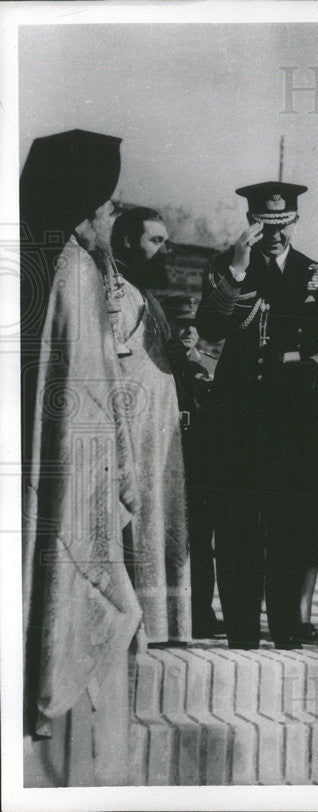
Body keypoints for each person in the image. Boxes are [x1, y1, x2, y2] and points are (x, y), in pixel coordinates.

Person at [21, 129, 140, 786]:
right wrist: (115, 482)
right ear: (84, 202)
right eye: (109, 203)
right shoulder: (75, 271)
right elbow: (90, 410)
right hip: (68, 500)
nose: (113, 217)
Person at [196, 181, 318, 649]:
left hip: (293, 423)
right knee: (236, 525)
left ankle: (285, 627)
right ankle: (240, 630)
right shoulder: (226, 267)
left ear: (295, 222)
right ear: (251, 224)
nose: (274, 235)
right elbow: (211, 327)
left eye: (282, 225)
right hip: (237, 419)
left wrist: (303, 374)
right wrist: (237, 273)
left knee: (288, 524)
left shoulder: (317, 274)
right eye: (264, 226)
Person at [110, 206, 192, 647]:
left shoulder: (146, 296)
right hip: (133, 429)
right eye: (155, 241)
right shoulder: (112, 291)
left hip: (162, 432)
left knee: (164, 516)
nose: (165, 249)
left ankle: (164, 626)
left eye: (165, 240)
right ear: (126, 241)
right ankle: (138, 625)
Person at [160, 294, 226, 639]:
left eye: (193, 323)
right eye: (180, 322)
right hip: (167, 461)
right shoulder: (158, 363)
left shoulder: (213, 366)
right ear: (168, 325)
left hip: (203, 463)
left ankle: (200, 611)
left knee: (201, 540)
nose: (188, 330)